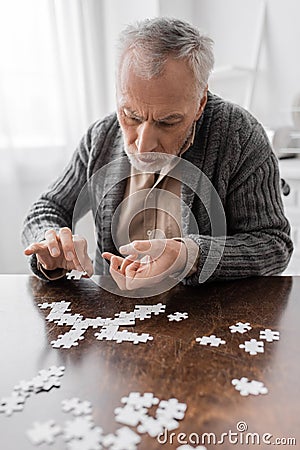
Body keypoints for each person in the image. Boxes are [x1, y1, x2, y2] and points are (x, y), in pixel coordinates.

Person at [22, 17, 293, 290]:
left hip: (207, 316)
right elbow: (47, 208)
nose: (142, 145)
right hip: (114, 313)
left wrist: (189, 255)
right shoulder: (100, 137)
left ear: (200, 103)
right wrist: (52, 245)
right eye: (131, 116)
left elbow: (274, 244)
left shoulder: (240, 137)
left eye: (167, 122)